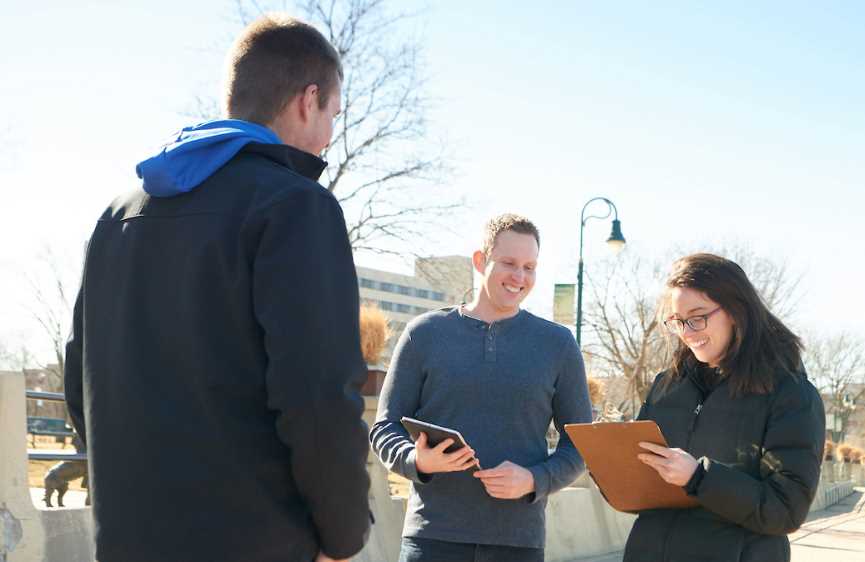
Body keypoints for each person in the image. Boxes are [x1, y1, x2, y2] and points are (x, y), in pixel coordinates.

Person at [63, 14, 371, 562]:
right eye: (333, 115)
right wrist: (344, 537)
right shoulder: (296, 206)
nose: (328, 137)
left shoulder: (117, 215)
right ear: (308, 100)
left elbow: (79, 380)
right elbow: (318, 395)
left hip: (129, 541)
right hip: (260, 543)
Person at [370, 214, 592, 562]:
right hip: (431, 538)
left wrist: (535, 479)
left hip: (517, 543)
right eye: (508, 263)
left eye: (530, 267)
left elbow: (581, 443)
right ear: (480, 260)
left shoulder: (558, 345)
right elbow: (385, 427)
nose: (520, 277)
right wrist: (417, 459)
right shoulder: (423, 334)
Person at [624, 253, 824, 562]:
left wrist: (699, 478)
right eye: (678, 321)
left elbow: (786, 510)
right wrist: (611, 464)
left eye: (698, 316)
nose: (687, 332)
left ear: (735, 310)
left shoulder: (791, 395)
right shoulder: (667, 386)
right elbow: (639, 490)